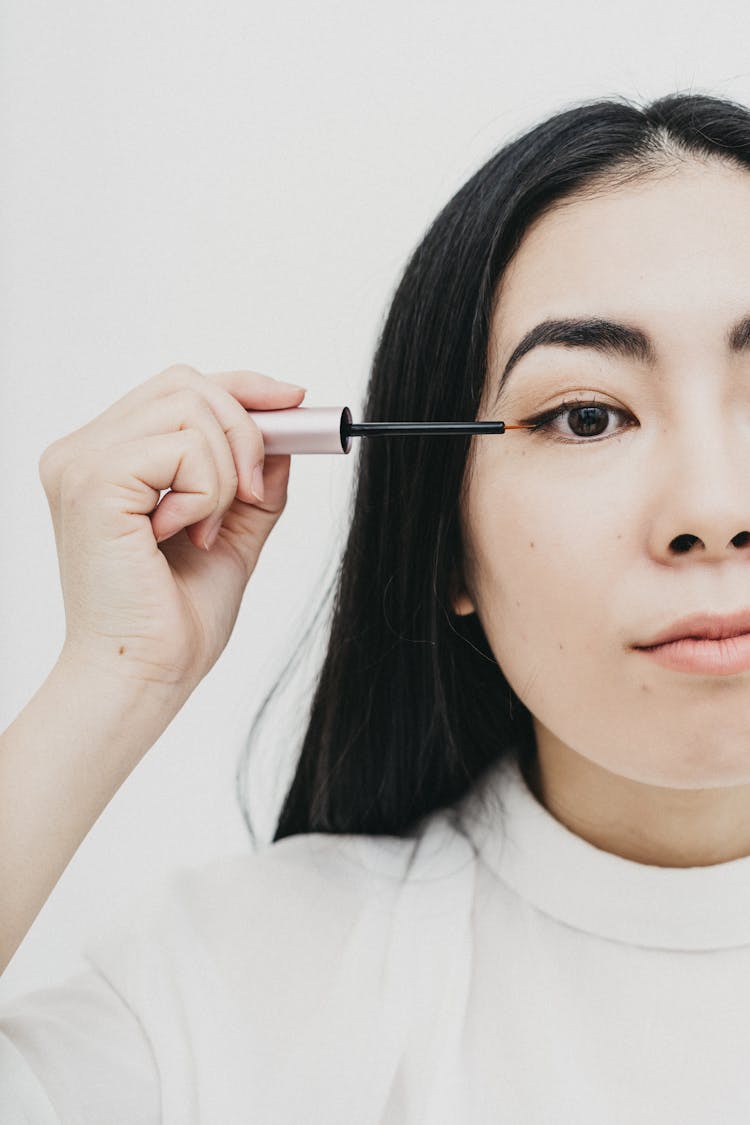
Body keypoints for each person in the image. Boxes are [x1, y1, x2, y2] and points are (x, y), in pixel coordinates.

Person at [3, 88, 750, 1123]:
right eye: (587, 417)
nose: (714, 511)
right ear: (444, 539)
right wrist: (110, 677)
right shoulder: (239, 983)